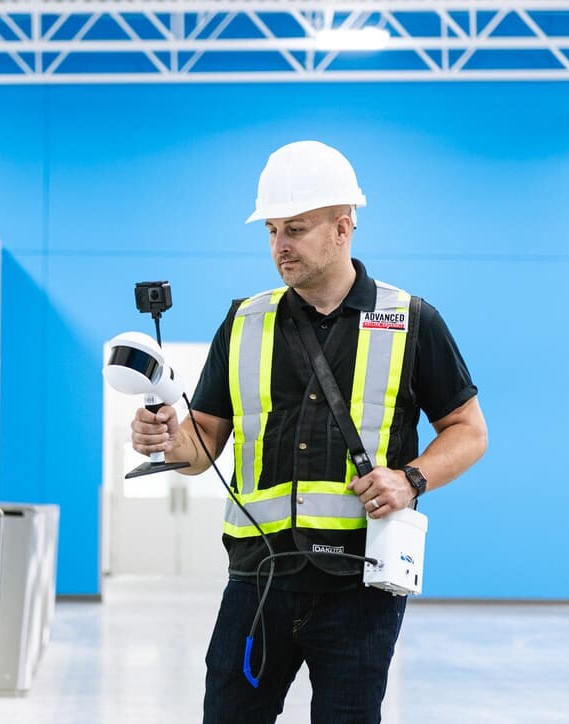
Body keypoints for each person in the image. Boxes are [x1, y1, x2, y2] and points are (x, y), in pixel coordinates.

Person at [130, 140, 488, 724]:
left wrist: (411, 479)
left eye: (295, 228)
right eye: (271, 230)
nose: (279, 246)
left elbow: (469, 431)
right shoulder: (244, 322)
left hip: (359, 587)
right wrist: (168, 439)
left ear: (343, 228)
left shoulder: (410, 321)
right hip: (257, 579)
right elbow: (205, 442)